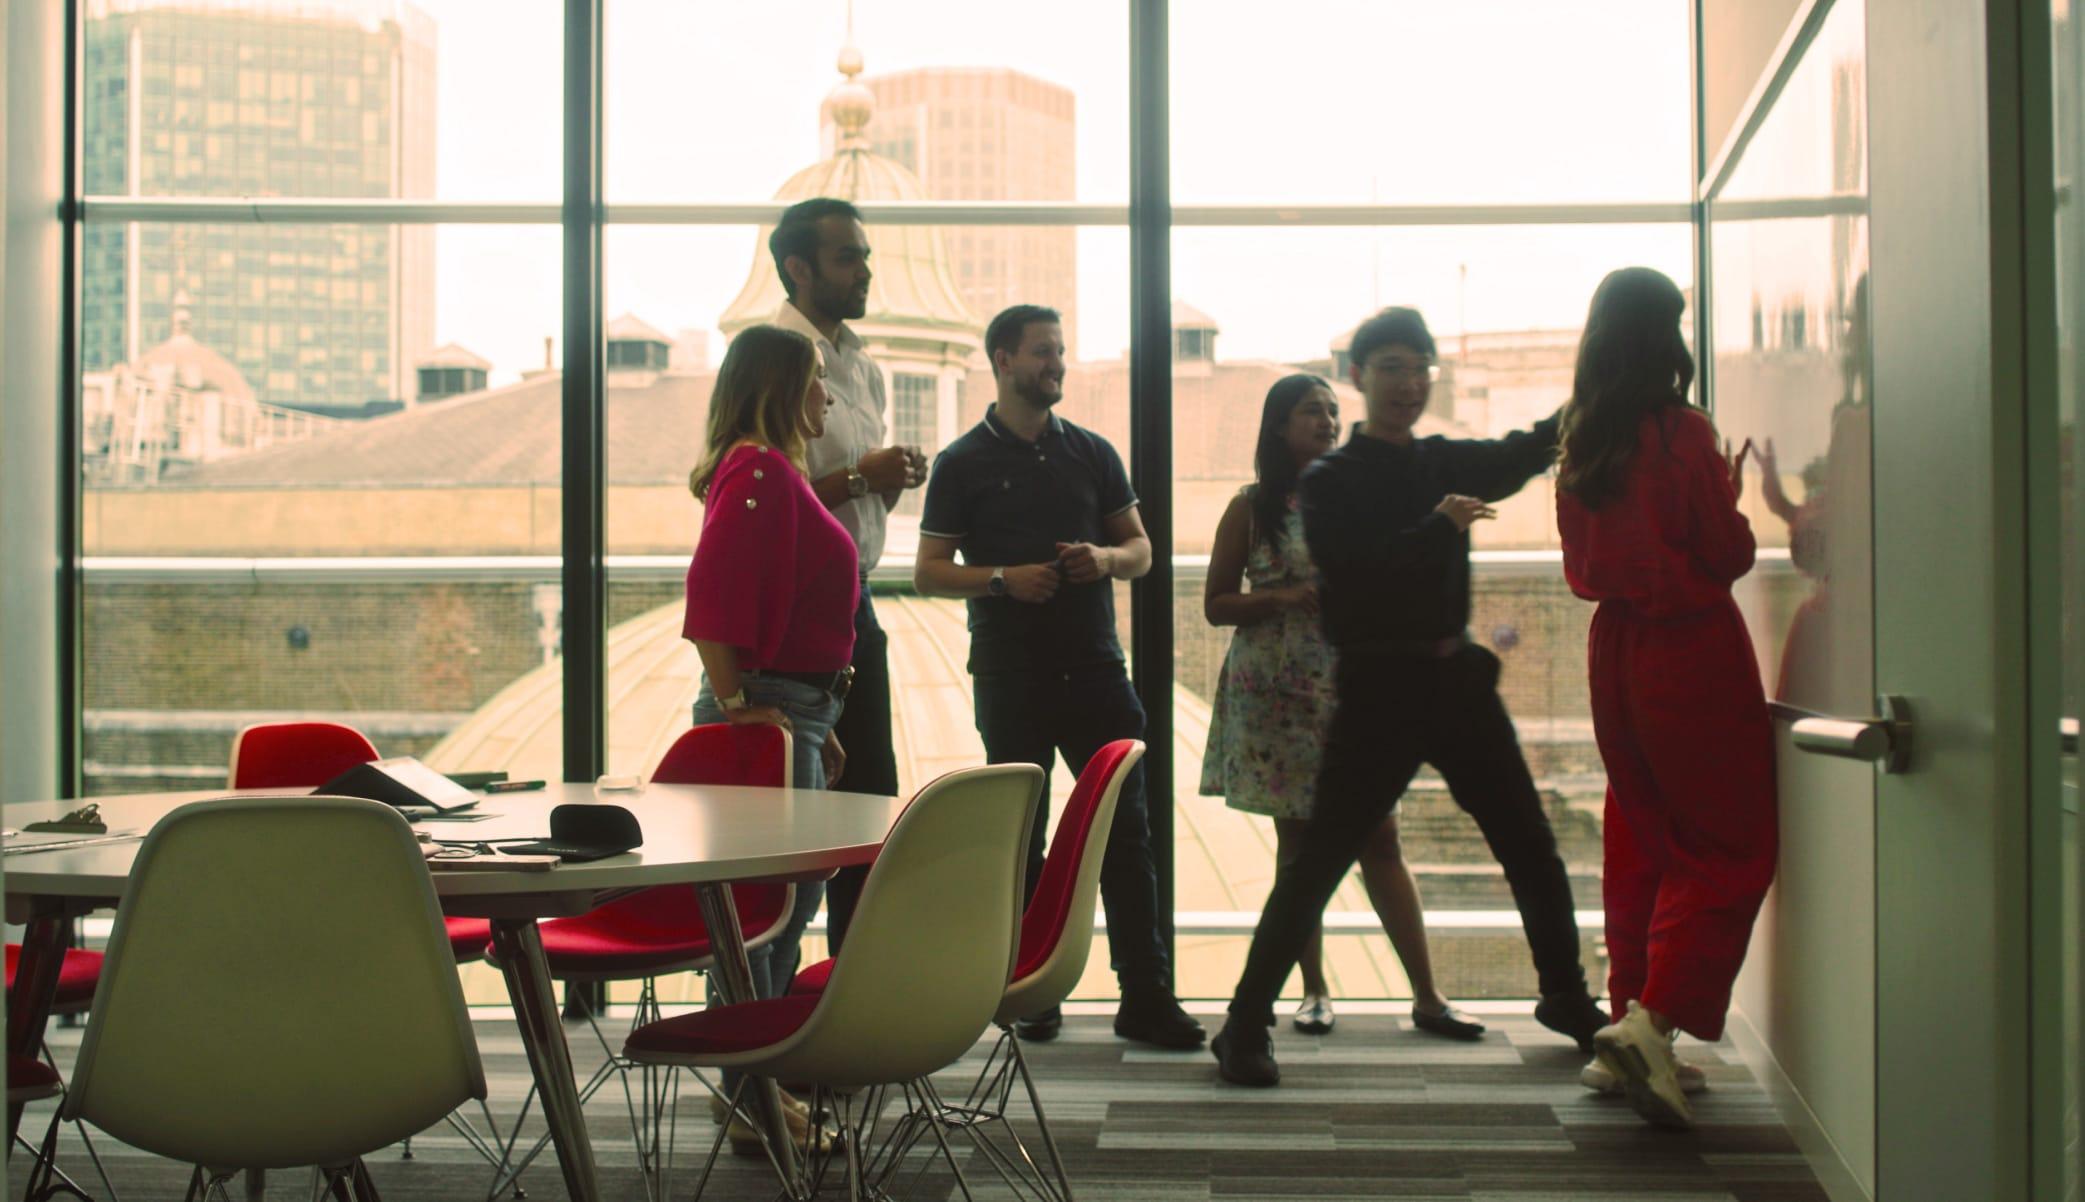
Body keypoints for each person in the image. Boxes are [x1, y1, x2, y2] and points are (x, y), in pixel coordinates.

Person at [1211, 306, 1606, 1088]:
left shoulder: (1441, 459)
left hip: (1454, 680)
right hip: (1378, 687)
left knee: (1528, 842)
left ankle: (1564, 994)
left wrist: (1597, 386)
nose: (1407, 381)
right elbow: (1354, 577)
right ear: (1359, 377)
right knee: (1320, 859)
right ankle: (1243, 1024)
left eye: (1419, 365)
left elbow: (1523, 451)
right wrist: (1439, 526)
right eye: (1390, 366)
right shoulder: (1331, 481)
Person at [916, 303, 1203, 1050]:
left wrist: (1103, 560)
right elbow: (928, 573)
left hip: (1098, 670)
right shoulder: (959, 464)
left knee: (1125, 833)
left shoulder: (1092, 452)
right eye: (1045, 352)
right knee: (1024, 835)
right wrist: (1005, 580)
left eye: (1062, 352)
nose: (1059, 365)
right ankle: (1033, 992)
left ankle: (1144, 995)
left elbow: (1140, 550)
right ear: (1003, 359)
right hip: (1011, 675)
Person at [1553, 267, 1777, 1129]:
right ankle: (1651, 1023)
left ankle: (1628, 1030)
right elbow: (1726, 554)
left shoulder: (1584, 438)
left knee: (1643, 829)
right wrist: (1731, 493)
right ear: (1667, 335)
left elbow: (1586, 571)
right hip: (1689, 647)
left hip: (1615, 652)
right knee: (1727, 840)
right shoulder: (1681, 433)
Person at [1200, 374, 1479, 1041]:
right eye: (1309, 411)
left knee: (1380, 835)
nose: (1326, 421)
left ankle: (1427, 996)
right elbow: (1214, 604)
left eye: (1331, 410)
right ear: (1278, 426)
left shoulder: (1363, 499)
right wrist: (1282, 597)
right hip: (1274, 693)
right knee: (1298, 845)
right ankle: (1313, 991)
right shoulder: (1252, 506)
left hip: (1353, 683)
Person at [682, 323, 856, 1151]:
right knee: (770, 917)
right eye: (818, 379)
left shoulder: (766, 470)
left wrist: (809, 724)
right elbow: (711, 591)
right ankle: (749, 1090)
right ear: (784, 387)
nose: (828, 395)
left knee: (778, 914)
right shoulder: (759, 468)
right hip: (773, 708)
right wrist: (736, 704)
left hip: (794, 709)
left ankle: (755, 1084)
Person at [762, 197, 927, 954]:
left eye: (864, 254)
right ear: (798, 269)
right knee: (794, 819)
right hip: (797, 611)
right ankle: (783, 1018)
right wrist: (864, 476)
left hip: (854, 599)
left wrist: (887, 480)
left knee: (868, 798)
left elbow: (854, 493)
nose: (865, 270)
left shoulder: (862, 366)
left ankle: (850, 1002)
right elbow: (767, 500)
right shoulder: (772, 359)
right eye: (847, 257)